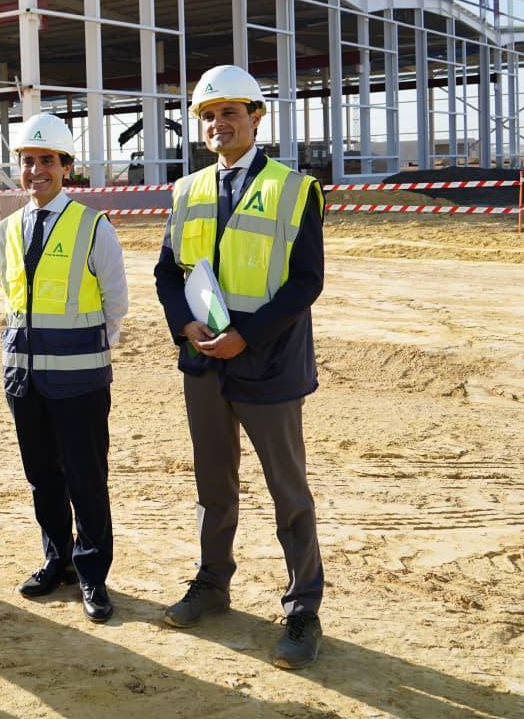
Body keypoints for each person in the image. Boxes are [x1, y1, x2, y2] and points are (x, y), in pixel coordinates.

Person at [152, 64, 326, 669]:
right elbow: (167, 273)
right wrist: (186, 324)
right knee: (213, 486)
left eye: (229, 112)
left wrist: (245, 336)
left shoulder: (293, 189)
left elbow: (306, 281)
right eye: (208, 115)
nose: (218, 124)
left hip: (268, 364)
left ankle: (303, 609)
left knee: (288, 492)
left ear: (256, 117)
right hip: (204, 364)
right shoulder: (187, 191)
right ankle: (211, 582)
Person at [0, 113, 128, 623]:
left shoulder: (92, 226)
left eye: (47, 160)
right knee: (42, 478)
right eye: (28, 161)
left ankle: (92, 572)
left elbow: (116, 302)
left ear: (66, 166)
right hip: (23, 378)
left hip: (80, 380)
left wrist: (85, 351)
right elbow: (14, 302)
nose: (36, 171)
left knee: (86, 478)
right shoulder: (7, 230)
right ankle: (58, 560)